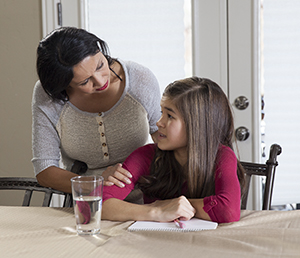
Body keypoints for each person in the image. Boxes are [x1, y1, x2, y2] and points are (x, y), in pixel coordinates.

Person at [31, 27, 161, 194]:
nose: (100, 81)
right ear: (63, 85)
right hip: (87, 202)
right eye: (85, 81)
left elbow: (166, 143)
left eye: (100, 65)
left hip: (147, 198)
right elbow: (45, 171)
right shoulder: (48, 96)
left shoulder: (139, 79)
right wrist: (96, 184)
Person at [99, 77, 245, 223]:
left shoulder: (222, 156)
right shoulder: (145, 156)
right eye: (161, 112)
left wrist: (175, 206)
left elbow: (228, 211)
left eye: (169, 116)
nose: (158, 122)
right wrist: (157, 211)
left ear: (197, 126)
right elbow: (99, 205)